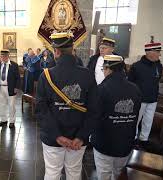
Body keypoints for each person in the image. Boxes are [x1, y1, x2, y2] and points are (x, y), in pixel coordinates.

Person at [35, 32, 99, 180]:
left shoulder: (46, 75)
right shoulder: (88, 75)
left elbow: (41, 110)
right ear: (72, 50)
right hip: (78, 138)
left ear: (56, 52)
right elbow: (94, 111)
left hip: (53, 138)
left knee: (52, 172)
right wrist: (81, 136)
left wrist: (57, 136)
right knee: (74, 172)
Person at [91, 55, 142, 180]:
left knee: (103, 174)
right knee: (119, 174)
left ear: (108, 68)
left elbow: (94, 117)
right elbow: (136, 115)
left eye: (103, 69)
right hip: (125, 144)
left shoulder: (101, 89)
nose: (103, 72)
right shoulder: (135, 89)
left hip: (104, 143)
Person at [128, 42, 163, 143]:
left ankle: (144, 139)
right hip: (139, 99)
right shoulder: (136, 66)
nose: (160, 54)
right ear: (150, 52)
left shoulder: (159, 66)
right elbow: (130, 84)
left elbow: (157, 80)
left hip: (153, 99)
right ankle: (132, 139)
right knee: (135, 121)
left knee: (148, 121)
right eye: (158, 52)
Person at [0, 49, 20, 129]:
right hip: (0, 87)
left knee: (11, 105)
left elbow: (18, 77)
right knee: (2, 104)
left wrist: (16, 87)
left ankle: (12, 121)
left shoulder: (14, 65)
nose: (3, 58)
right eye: (1, 56)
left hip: (10, 88)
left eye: (4, 56)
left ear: (8, 56)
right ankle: (3, 120)